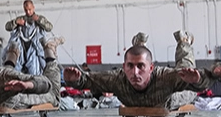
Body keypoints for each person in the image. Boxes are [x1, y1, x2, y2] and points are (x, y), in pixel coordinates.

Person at [62, 31, 210, 108]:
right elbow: (90, 80)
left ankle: (184, 41)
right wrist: (75, 79)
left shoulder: (164, 77)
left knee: (185, 71)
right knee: (137, 56)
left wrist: (197, 80)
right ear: (123, 67)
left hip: (168, 99)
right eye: (130, 66)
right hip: (137, 100)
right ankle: (139, 45)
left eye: (141, 67)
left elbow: (204, 80)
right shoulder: (118, 79)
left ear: (151, 68)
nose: (135, 73)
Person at [4, 0, 53, 75]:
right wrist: (16, 22)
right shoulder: (21, 19)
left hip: (35, 49)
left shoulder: (39, 18)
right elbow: (7, 27)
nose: (28, 12)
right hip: (21, 49)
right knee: (16, 69)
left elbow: (49, 27)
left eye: (30, 9)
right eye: (26, 10)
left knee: (34, 70)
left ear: (33, 7)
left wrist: (39, 20)